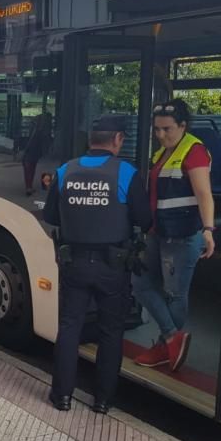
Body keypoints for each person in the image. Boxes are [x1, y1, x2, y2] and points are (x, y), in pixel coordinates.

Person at [43, 115, 152, 414]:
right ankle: (103, 400)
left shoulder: (65, 170)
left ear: (91, 139)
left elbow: (50, 217)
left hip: (73, 264)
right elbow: (145, 219)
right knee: (110, 331)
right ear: (117, 139)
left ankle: (62, 396)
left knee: (69, 328)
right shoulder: (126, 173)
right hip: (113, 267)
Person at [133, 99, 215, 372]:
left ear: (183, 126)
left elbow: (204, 193)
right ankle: (172, 337)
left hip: (182, 236)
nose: (161, 135)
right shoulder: (162, 153)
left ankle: (165, 347)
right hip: (158, 232)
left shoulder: (194, 151)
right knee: (140, 283)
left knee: (174, 295)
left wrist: (208, 229)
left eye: (167, 129)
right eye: (157, 129)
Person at [23, 112, 52, 196]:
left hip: (31, 150)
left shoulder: (35, 128)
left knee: (28, 169)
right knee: (31, 168)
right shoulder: (42, 130)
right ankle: (30, 187)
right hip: (34, 151)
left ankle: (29, 187)